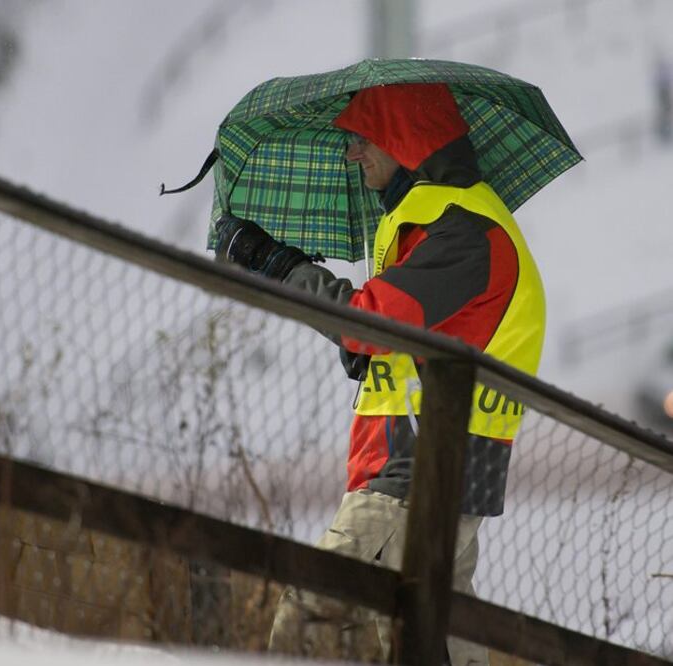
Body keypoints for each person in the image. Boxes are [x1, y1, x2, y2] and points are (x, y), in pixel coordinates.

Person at [213, 83, 546, 665]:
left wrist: (277, 265)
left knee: (310, 617)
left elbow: (366, 322)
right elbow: (404, 336)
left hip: (415, 471)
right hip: (436, 468)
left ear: (405, 137)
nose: (352, 153)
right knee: (435, 642)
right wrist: (373, 353)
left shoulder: (462, 235)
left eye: (364, 138)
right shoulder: (445, 228)